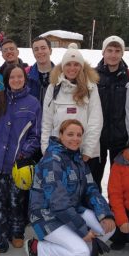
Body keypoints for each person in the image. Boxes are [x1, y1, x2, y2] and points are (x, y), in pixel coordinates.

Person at [27, 120, 116, 256]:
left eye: (78, 135)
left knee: (109, 227)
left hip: (71, 211)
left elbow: (91, 189)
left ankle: (69, 244)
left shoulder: (77, 158)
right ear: (60, 135)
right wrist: (82, 230)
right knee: (81, 254)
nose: (75, 139)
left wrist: (105, 214)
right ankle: (37, 251)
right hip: (46, 216)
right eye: (70, 134)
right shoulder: (52, 161)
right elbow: (58, 203)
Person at [0, 65, 41, 256]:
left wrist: (25, 152)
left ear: (25, 78)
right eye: (12, 77)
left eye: (19, 76)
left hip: (17, 164)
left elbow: (35, 134)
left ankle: (16, 232)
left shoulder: (33, 103)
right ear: (7, 80)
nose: (16, 80)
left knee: (16, 201)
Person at [41, 43, 103, 183]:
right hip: (58, 152)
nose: (72, 68)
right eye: (68, 64)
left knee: (85, 191)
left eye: (76, 64)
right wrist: (46, 149)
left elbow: (95, 121)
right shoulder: (54, 87)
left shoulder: (91, 88)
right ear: (63, 66)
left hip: (83, 152)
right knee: (61, 190)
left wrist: (87, 151)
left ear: (82, 67)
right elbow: (47, 121)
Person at [94, 35, 129, 187]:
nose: (113, 54)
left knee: (119, 179)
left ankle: (115, 208)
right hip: (98, 137)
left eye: (117, 51)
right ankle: (95, 208)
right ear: (103, 52)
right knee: (94, 177)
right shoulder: (93, 75)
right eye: (109, 50)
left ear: (122, 53)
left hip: (120, 137)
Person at [26, 37, 55, 106]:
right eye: (36, 49)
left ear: (50, 51)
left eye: (43, 48)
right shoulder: (26, 75)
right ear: (33, 53)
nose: (40, 52)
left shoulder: (61, 75)